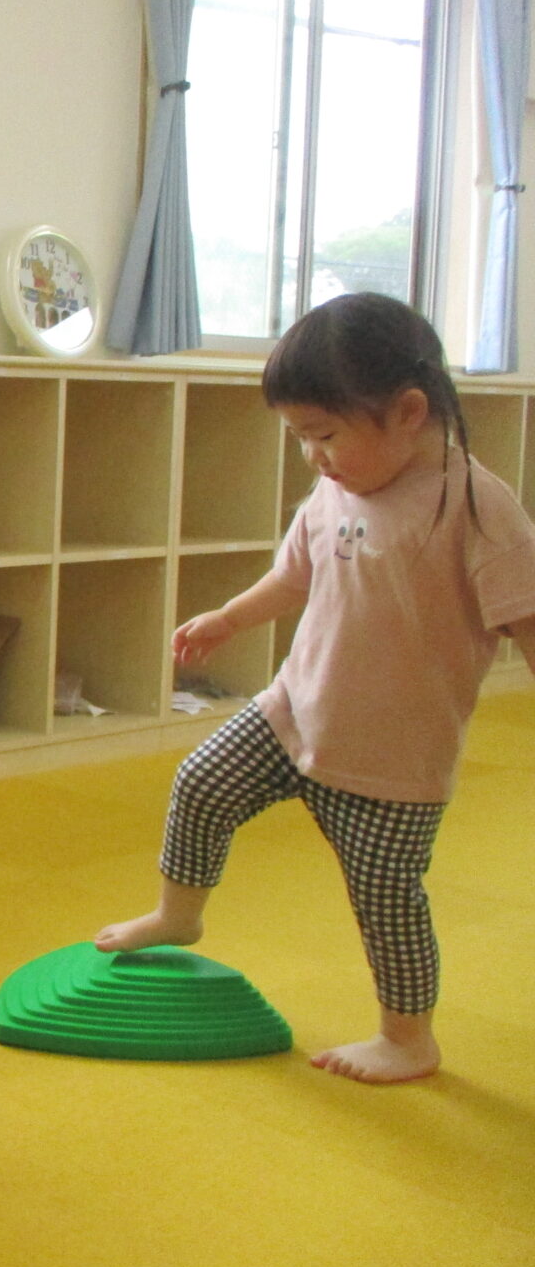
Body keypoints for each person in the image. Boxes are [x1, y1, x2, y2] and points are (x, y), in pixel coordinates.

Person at [96, 292, 535, 1084]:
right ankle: (177, 916)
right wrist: (228, 618)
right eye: (300, 436)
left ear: (409, 412)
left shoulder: (474, 506)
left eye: (324, 434)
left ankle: (408, 1038)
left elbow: (527, 615)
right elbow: (294, 574)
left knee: (385, 898)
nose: (312, 455)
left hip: (393, 758)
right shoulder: (339, 487)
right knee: (201, 782)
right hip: (292, 711)